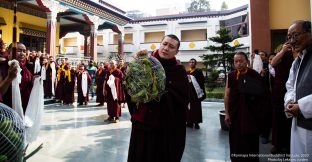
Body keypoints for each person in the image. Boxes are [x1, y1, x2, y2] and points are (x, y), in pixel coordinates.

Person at [127, 34, 189, 162]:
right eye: (164, 44)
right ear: (160, 44)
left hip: (165, 127)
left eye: (171, 46)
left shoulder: (179, 71)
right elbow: (130, 90)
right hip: (143, 123)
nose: (166, 48)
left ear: (176, 51)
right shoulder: (144, 64)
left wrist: (159, 90)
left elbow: (182, 100)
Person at [224, 52, 267, 162]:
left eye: (241, 61)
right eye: (236, 61)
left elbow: (261, 97)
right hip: (235, 114)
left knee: (250, 141)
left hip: (251, 115)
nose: (238, 64)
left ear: (246, 62)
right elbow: (227, 95)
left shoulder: (254, 75)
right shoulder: (232, 75)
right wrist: (227, 113)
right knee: (236, 140)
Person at [284, 20, 312, 162]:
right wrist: (289, 102)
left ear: (309, 33)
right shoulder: (297, 61)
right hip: (297, 123)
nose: (292, 41)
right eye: (289, 37)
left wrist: (301, 106)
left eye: (295, 35)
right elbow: (290, 86)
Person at [270, 43, 295, 154]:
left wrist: (293, 50)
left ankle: (288, 144)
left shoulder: (296, 53)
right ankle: (277, 144)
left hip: (292, 89)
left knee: (289, 118)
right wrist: (284, 50)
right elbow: (273, 62)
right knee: (277, 118)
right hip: (279, 91)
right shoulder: (281, 54)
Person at [186, 58, 206, 129]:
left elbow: (202, 81)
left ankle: (196, 122)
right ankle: (189, 122)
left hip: (196, 93)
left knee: (196, 108)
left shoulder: (198, 72)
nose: (192, 63)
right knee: (189, 107)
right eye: (190, 62)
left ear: (195, 63)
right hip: (189, 93)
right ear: (189, 63)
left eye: (193, 62)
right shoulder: (187, 72)